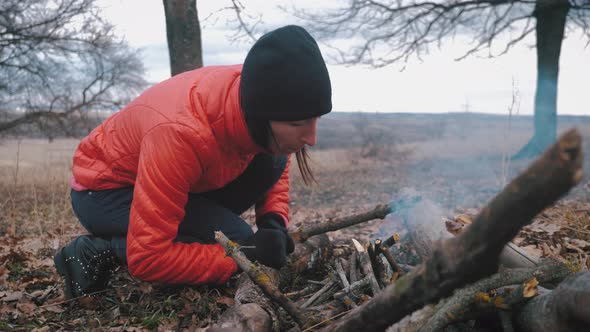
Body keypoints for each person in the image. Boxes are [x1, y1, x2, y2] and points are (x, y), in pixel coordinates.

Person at [53, 25, 332, 299]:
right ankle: (99, 249)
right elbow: (148, 259)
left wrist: (273, 222)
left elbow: (275, 157)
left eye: (315, 119)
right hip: (103, 193)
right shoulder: (179, 132)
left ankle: (197, 235)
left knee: (271, 164)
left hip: (176, 177)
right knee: (235, 238)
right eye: (297, 123)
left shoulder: (257, 86)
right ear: (261, 115)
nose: (312, 137)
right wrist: (246, 252)